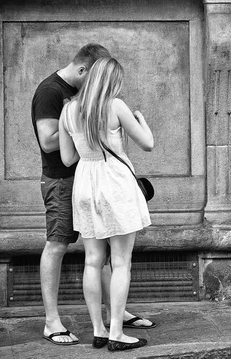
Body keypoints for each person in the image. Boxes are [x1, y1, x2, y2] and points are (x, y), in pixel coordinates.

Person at [31, 44, 154, 347]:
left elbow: (69, 158)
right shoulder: (115, 106)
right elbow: (148, 144)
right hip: (113, 183)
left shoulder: (70, 110)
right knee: (122, 262)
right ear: (110, 81)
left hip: (83, 184)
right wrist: (139, 118)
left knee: (92, 261)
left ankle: (99, 329)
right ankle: (116, 334)